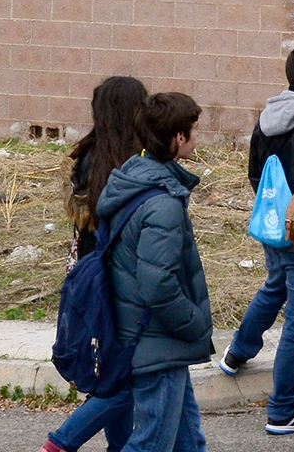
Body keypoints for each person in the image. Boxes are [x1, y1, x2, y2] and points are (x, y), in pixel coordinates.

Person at [216, 44, 294, 434]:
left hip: (271, 225)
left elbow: (255, 174)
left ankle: (236, 354)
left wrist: (276, 215)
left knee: (274, 287)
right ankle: (283, 410)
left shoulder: (266, 119)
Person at [98, 91, 213, 452]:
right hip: (158, 341)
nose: (197, 138)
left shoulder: (134, 178)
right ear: (178, 138)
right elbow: (158, 283)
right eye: (193, 130)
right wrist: (194, 323)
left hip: (150, 338)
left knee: (188, 442)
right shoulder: (162, 203)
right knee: (150, 445)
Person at [39, 75, 147, 452]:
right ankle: (61, 443)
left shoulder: (85, 157)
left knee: (115, 378)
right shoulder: (131, 165)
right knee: (124, 383)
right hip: (120, 284)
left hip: (87, 278)